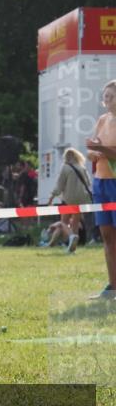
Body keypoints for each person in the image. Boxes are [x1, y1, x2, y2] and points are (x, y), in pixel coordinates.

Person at [87, 79, 116, 298]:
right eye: (105, 96)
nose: (106, 100)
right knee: (106, 236)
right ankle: (112, 285)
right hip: (100, 182)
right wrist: (93, 153)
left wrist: (101, 149)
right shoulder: (102, 120)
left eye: (111, 96)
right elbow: (92, 149)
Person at [45, 148, 93, 253]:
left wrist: (51, 198)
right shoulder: (82, 167)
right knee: (75, 222)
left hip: (68, 199)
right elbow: (89, 183)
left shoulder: (65, 167)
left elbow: (59, 186)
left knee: (63, 223)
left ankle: (71, 237)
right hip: (82, 199)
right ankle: (71, 247)